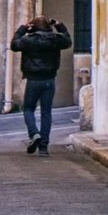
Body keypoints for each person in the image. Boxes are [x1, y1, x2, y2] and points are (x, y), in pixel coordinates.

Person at [9, 14, 71, 153]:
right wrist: (59, 25)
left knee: (28, 109)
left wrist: (23, 29)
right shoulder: (56, 39)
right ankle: (43, 147)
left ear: (33, 26)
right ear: (49, 26)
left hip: (33, 79)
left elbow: (14, 45)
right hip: (49, 79)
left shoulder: (27, 40)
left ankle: (34, 133)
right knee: (46, 112)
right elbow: (68, 40)